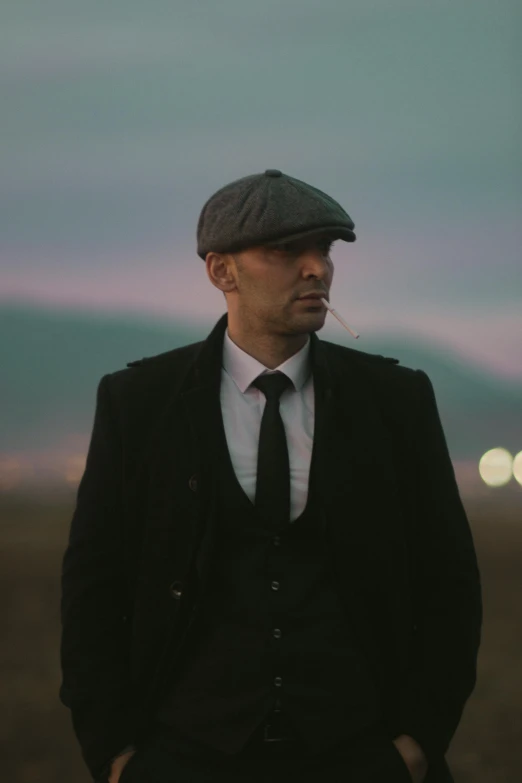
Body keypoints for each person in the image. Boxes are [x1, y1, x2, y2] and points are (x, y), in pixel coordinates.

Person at [59, 169, 482, 783]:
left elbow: (449, 583)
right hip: (183, 757)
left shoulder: (396, 399)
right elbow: (93, 590)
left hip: (362, 756)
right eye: (286, 250)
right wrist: (116, 757)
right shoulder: (139, 402)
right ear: (221, 271)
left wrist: (417, 742)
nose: (317, 269)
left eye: (326, 250)